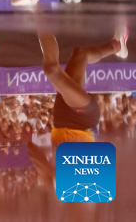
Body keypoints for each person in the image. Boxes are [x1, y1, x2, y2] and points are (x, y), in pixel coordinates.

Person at [27, 31, 128, 193]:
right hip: (83, 120)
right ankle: (40, 20)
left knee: (81, 54)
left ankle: (116, 46)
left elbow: (31, 148)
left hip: (61, 118)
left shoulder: (57, 186)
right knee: (52, 70)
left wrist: (47, 173)